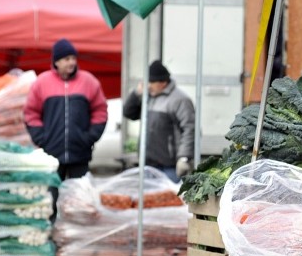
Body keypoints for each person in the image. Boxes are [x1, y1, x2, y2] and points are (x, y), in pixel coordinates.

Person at [24, 38, 107, 183]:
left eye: (74, 58)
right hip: (51, 155)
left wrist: (89, 137)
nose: (72, 62)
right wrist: (42, 139)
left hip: (80, 154)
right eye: (67, 59)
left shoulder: (89, 81)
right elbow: (31, 113)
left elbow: (100, 111)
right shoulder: (42, 83)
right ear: (56, 62)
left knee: (79, 199)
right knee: (51, 199)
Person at [123, 60, 195, 183]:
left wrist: (184, 158)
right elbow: (129, 113)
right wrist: (136, 94)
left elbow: (189, 129)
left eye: (151, 82)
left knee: (170, 200)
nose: (148, 85)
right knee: (149, 200)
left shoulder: (180, 100)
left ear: (163, 82)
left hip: (169, 166)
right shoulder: (148, 97)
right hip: (148, 164)